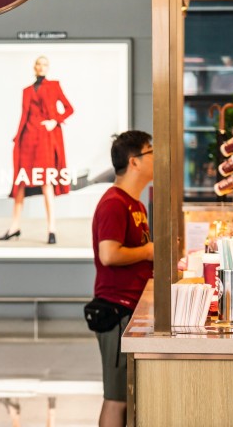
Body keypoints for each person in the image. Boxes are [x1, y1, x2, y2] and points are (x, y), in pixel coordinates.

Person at [91, 131, 154, 427]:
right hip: (116, 310)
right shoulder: (114, 203)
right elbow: (109, 254)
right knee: (116, 398)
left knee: (126, 395)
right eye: (151, 152)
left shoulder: (136, 204)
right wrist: (149, 251)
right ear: (134, 162)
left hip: (131, 308)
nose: (157, 158)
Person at [0, 55, 75, 245]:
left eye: (45, 64)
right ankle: (14, 227)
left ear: (48, 68)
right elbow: (24, 115)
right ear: (34, 67)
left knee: (46, 181)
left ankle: (52, 229)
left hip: (44, 139)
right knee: (21, 182)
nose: (41, 67)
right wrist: (17, 136)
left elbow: (69, 108)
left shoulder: (54, 86)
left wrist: (54, 121)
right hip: (27, 138)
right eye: (39, 64)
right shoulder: (26, 91)